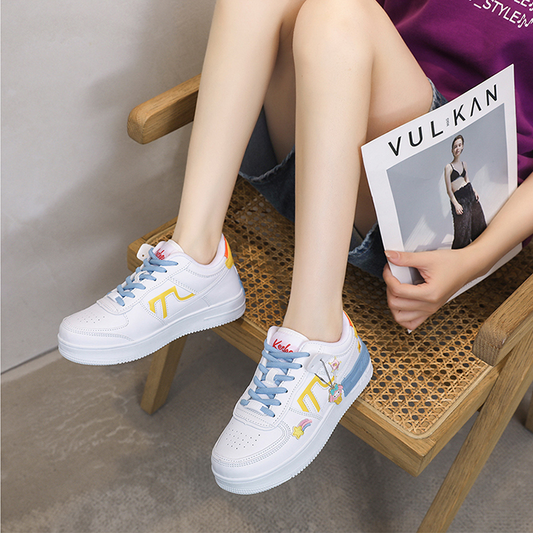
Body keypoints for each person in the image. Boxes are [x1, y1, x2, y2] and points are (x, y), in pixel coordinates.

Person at [58, 0, 533, 494]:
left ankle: (321, 336)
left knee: (339, 14)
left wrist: (473, 260)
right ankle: (196, 255)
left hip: (441, 216)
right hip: (333, 130)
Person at [444, 135, 487, 249]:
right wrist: (456, 204)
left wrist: (474, 190)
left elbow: (467, 180)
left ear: (462, 146)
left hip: (470, 194)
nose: (457, 148)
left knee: (479, 223)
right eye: (455, 146)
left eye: (459, 145)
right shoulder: (448, 167)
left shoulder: (464, 164)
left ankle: (481, 249)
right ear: (452, 149)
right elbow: (449, 190)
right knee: (462, 230)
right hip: (460, 198)